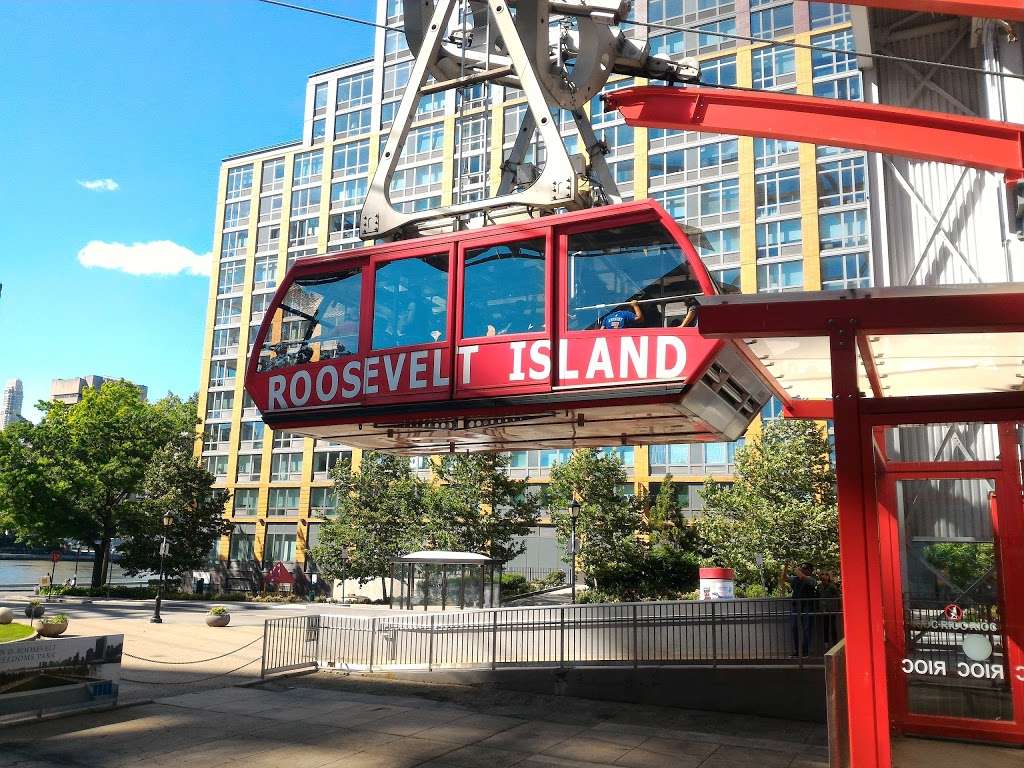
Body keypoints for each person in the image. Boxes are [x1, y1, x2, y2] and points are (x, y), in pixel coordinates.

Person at [780, 562, 818, 656]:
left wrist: (795, 568)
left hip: (807, 606)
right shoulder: (795, 579)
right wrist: (785, 567)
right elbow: (784, 578)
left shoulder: (811, 579)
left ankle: (806, 652)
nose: (801, 569)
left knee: (807, 628)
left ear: (810, 570)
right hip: (796, 606)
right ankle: (797, 651)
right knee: (794, 628)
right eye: (801, 567)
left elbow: (802, 577)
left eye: (804, 568)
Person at [817, 570, 841, 649]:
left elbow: (838, 596)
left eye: (826, 575)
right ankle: (826, 645)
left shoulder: (832, 586)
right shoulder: (819, 586)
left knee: (833, 626)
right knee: (825, 626)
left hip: (832, 609)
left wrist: (838, 607)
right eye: (822, 575)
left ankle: (835, 645)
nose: (823, 576)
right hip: (823, 609)